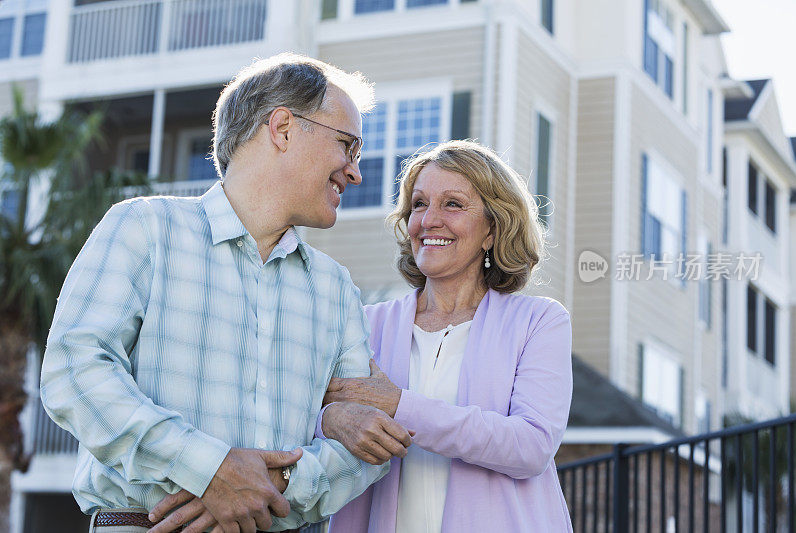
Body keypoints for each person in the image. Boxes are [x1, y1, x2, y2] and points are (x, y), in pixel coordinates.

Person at [40, 53, 413, 533]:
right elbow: (75, 371)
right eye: (347, 145)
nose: (355, 171)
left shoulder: (335, 287)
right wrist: (210, 469)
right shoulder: (144, 229)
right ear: (282, 128)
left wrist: (259, 489)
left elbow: (366, 443)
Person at [319, 140, 574, 532]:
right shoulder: (364, 323)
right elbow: (310, 418)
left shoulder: (539, 322)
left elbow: (531, 446)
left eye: (452, 204)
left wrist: (399, 405)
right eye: (419, 204)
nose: (429, 220)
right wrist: (331, 419)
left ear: (493, 228)